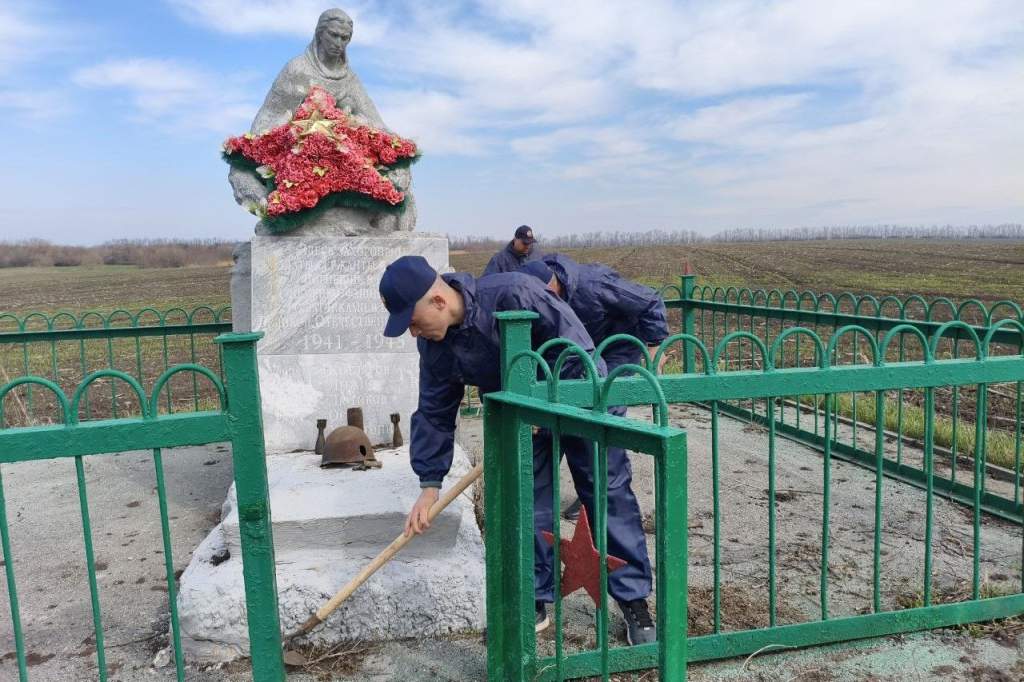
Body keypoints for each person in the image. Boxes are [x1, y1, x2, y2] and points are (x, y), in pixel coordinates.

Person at [379, 255, 656, 645]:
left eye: (412, 321)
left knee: (608, 495)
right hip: (527, 427)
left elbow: (577, 352)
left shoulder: (515, 293)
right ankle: (535, 598)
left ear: (438, 300)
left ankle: (633, 600)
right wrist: (429, 484)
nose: (413, 333)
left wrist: (547, 403)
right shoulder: (437, 345)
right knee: (529, 503)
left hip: (581, 406)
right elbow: (434, 411)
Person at [520, 254, 669, 523]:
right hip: (576, 352)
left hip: (614, 350)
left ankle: (603, 494)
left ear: (553, 286)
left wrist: (653, 348)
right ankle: (551, 492)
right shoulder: (534, 298)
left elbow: (650, 301)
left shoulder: (595, 285)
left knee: (602, 416)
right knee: (557, 415)